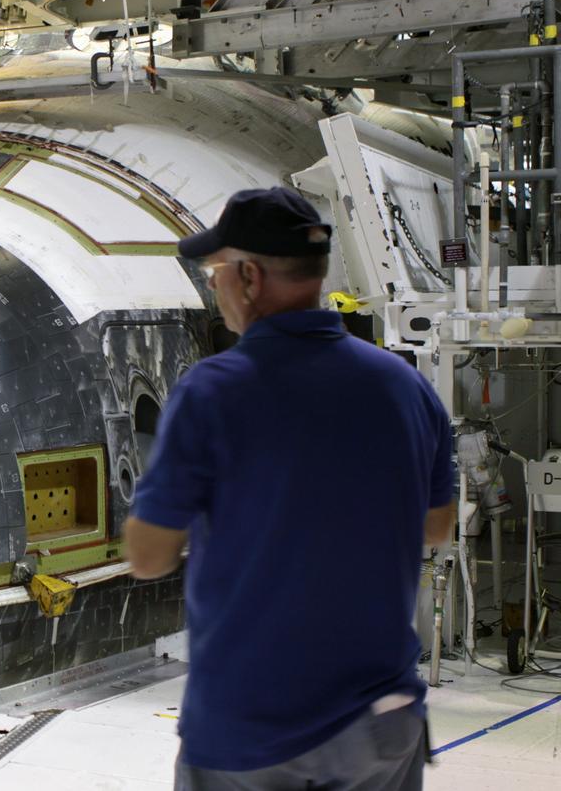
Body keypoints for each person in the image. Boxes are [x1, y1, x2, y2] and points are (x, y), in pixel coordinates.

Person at [124, 186, 455, 790]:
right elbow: (437, 527)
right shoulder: (404, 386)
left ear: (249, 277)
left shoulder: (212, 392)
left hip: (250, 726)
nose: (215, 287)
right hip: (380, 719)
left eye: (216, 273)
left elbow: (148, 557)